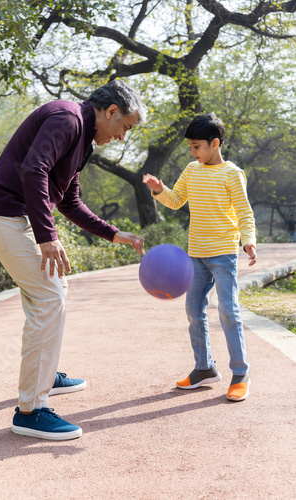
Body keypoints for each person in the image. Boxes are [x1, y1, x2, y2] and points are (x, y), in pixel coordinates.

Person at [0, 79, 145, 440]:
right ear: (111, 111)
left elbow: (68, 200)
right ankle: (31, 411)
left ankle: (44, 374)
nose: (122, 137)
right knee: (50, 296)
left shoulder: (82, 136)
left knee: (52, 291)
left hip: (14, 217)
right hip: (4, 216)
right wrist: (47, 237)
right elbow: (33, 170)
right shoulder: (68, 119)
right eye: (125, 127)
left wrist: (114, 233)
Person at [143, 113, 257, 402]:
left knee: (228, 311)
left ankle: (240, 373)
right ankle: (204, 368)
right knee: (194, 311)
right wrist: (159, 189)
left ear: (214, 143)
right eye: (191, 148)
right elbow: (176, 200)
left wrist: (249, 242)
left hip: (223, 254)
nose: (193, 153)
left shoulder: (232, 173)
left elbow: (244, 213)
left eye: (196, 147)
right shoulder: (192, 170)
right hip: (196, 254)